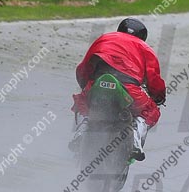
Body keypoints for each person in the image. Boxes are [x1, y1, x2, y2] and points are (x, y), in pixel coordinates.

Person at [69, 18, 166, 161]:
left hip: (97, 83)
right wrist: (158, 97)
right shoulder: (145, 48)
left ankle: (81, 131)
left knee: (83, 104)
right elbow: (154, 80)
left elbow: (84, 67)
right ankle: (135, 140)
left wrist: (85, 85)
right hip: (130, 88)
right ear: (142, 37)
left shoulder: (104, 38)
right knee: (150, 111)